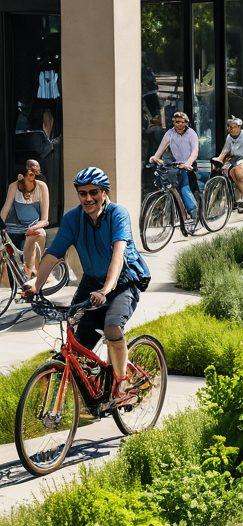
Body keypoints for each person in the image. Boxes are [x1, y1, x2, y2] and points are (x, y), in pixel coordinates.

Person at [25, 167, 150, 405]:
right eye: (83, 193)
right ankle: (95, 390)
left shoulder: (117, 214)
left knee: (112, 327)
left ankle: (121, 386)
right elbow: (53, 254)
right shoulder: (73, 218)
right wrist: (36, 286)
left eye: (94, 192)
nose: (88, 198)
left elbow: (118, 254)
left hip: (123, 281)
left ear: (104, 192)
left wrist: (106, 290)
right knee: (75, 335)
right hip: (92, 281)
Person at [149, 111, 200, 225]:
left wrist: (188, 163)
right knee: (169, 187)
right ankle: (177, 216)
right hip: (176, 164)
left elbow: (195, 151)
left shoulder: (191, 134)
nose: (178, 124)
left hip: (189, 165)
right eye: (176, 122)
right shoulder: (170, 133)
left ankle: (194, 213)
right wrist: (155, 157)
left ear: (186, 123)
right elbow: (161, 147)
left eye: (181, 122)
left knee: (184, 188)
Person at [1, 159, 49, 277]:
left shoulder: (42, 186)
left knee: (40, 233)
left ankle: (34, 272)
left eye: (36, 173)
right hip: (14, 228)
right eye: (31, 173)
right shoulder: (14, 186)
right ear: (23, 175)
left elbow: (45, 219)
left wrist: (33, 228)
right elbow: (5, 209)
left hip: (33, 227)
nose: (34, 176)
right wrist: (1, 227)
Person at [214, 117, 243, 211]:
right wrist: (220, 159)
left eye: (233, 127)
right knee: (226, 171)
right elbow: (226, 149)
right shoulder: (229, 137)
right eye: (229, 127)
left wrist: (240, 162)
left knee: (236, 171)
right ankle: (239, 195)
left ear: (239, 127)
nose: (231, 129)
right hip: (236, 158)